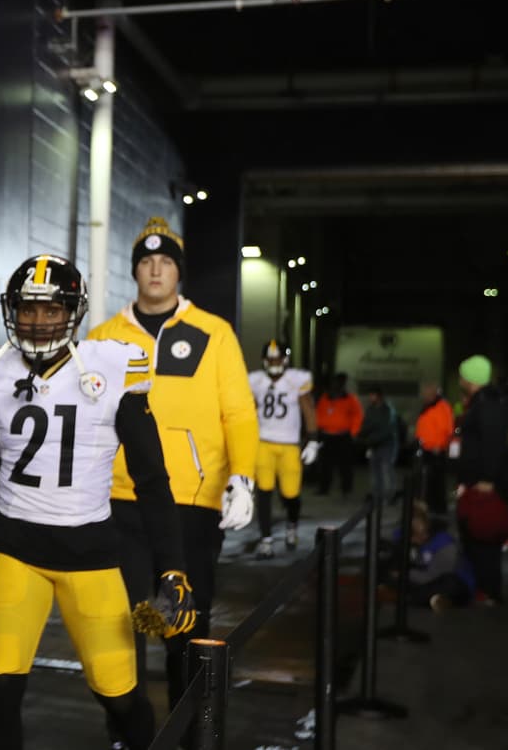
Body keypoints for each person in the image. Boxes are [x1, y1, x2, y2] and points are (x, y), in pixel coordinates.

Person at [0, 254, 194, 750]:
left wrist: (172, 567)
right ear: (11, 310)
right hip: (13, 550)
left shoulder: (112, 365)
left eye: (52, 309)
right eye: (27, 308)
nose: (38, 321)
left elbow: (151, 479)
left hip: (91, 556)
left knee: (119, 692)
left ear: (74, 311)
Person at [87, 216, 258, 708]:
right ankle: (129, 733)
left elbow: (239, 413)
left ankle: (191, 734)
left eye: (165, 262)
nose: (155, 270)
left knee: (182, 622)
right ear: (135, 272)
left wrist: (242, 476)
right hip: (119, 500)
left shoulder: (214, 333)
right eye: (146, 262)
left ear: (178, 272)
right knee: (121, 624)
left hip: (191, 502)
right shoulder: (103, 338)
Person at [453, 354, 508, 606]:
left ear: (470, 379)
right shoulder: (484, 401)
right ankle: (480, 587)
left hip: (483, 483)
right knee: (475, 536)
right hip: (476, 480)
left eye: (462, 375)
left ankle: (488, 591)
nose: (459, 379)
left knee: (483, 537)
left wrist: (486, 479)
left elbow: (491, 445)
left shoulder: (487, 404)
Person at [247, 339, 317, 558]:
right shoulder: (255, 380)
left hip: (289, 445)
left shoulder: (297, 379)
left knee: (290, 493)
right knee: (264, 492)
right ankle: (266, 539)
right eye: (270, 359)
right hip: (263, 442)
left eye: (277, 358)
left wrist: (313, 439)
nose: (274, 362)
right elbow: (248, 410)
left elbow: (308, 408)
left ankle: (292, 525)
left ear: (285, 360)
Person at [404, 502, 475, 612]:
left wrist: (403, 574)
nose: (412, 540)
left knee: (447, 584)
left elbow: (432, 576)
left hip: (457, 583)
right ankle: (433, 599)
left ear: (424, 532)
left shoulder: (445, 545)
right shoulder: (416, 541)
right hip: (428, 578)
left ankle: (427, 598)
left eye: (413, 537)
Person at [314, 372, 363, 497]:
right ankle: (324, 488)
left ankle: (346, 489)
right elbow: (318, 413)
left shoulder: (350, 399)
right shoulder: (325, 398)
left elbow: (357, 416)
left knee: (345, 465)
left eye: (339, 383)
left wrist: (353, 432)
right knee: (325, 464)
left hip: (343, 436)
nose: (336, 385)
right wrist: (318, 428)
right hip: (326, 435)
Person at [415, 381, 456, 516]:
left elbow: (448, 430)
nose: (422, 395)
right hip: (426, 449)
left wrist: (440, 446)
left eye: (425, 392)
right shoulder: (429, 406)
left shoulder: (442, 407)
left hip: (435, 452)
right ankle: (429, 508)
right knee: (427, 482)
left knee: (436, 483)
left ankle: (438, 510)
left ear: (432, 393)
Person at [357, 385, 400, 502]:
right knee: (375, 472)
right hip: (374, 446)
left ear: (379, 396)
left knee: (386, 470)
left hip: (387, 445)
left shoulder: (388, 410)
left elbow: (387, 430)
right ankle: (377, 495)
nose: (370, 398)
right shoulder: (370, 409)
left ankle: (390, 495)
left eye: (373, 395)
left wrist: (370, 440)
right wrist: (360, 435)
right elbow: (366, 425)